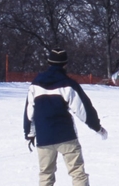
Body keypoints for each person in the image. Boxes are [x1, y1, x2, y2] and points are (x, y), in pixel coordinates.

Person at [23, 48, 107, 186]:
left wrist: (29, 134)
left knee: (45, 175)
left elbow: (29, 112)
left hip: (44, 137)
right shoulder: (68, 84)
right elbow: (83, 110)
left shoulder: (35, 84)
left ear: (49, 62)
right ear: (65, 64)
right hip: (66, 136)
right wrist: (97, 128)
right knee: (77, 173)